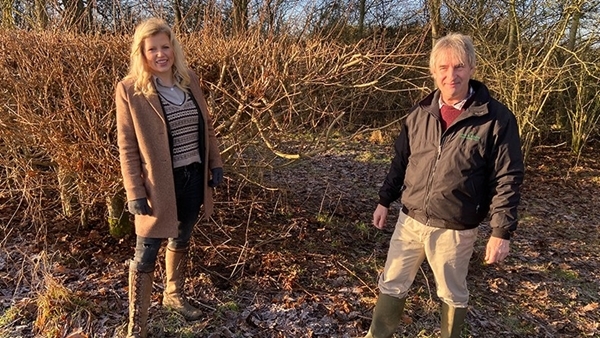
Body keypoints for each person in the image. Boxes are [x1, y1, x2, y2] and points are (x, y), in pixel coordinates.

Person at [364, 33, 524, 338]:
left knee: (452, 294)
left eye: (459, 66)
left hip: (455, 228)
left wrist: (500, 232)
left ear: (472, 67)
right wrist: (385, 200)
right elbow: (401, 161)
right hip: (410, 220)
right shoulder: (419, 113)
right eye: (444, 67)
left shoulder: (496, 119)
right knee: (392, 282)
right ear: (433, 71)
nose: (451, 75)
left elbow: (508, 177)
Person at [115, 18, 224, 338]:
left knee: (182, 237)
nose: (161, 54)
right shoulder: (130, 89)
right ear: (142, 53)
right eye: (153, 49)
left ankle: (174, 296)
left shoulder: (189, 79)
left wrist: (214, 163)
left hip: (193, 177)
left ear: (173, 47)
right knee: (146, 251)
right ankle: (139, 323)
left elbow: (208, 125)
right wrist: (134, 190)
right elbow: (126, 145)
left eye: (165, 46)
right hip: (157, 185)